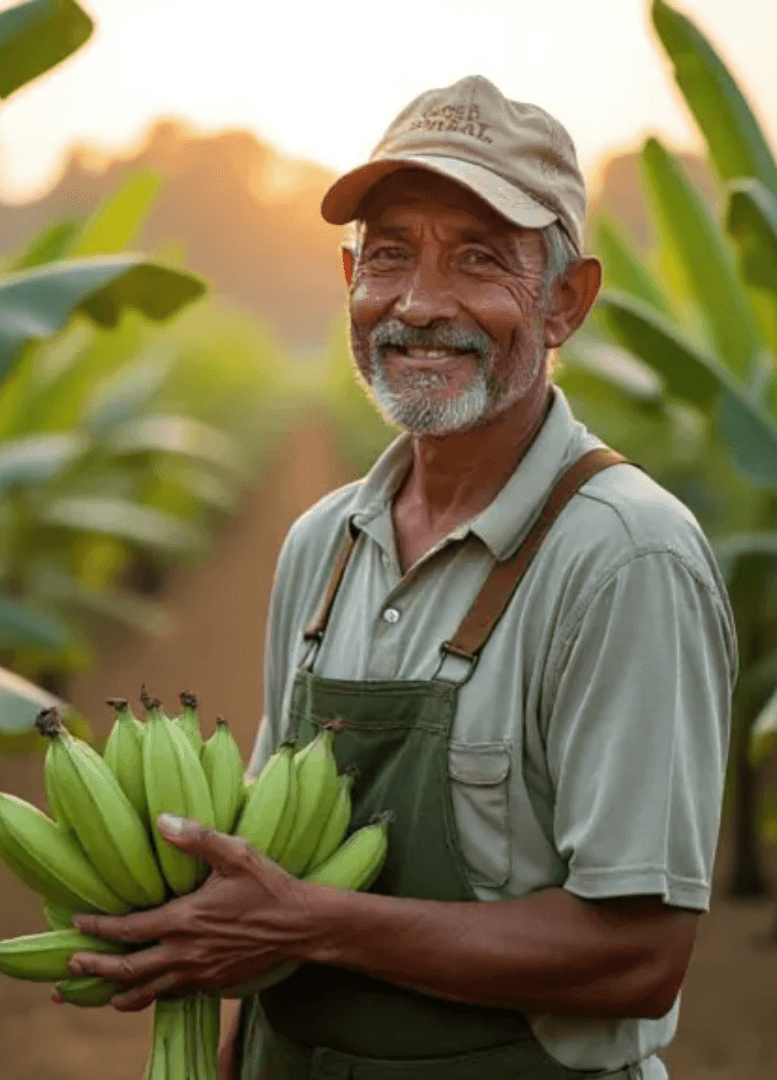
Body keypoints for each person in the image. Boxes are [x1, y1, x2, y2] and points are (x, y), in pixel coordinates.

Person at [67, 74, 738, 1080]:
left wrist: (314, 927)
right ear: (349, 280)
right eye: (390, 254)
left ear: (565, 300)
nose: (420, 303)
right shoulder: (322, 545)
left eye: (478, 258)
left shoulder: (624, 558)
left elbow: (638, 957)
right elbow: (272, 868)